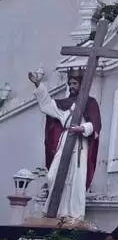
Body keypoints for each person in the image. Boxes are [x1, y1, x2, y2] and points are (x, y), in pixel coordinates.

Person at [28, 67, 102, 221]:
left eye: (74, 83)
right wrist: (38, 85)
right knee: (52, 176)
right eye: (70, 83)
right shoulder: (64, 104)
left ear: (82, 84)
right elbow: (47, 104)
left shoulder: (91, 103)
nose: (71, 86)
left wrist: (82, 128)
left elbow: (95, 125)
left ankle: (73, 214)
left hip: (80, 145)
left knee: (76, 179)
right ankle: (53, 210)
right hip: (65, 141)